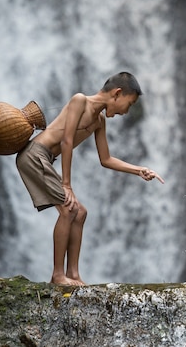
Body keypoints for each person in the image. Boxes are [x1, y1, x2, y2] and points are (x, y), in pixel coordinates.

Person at [16, 72, 164, 286]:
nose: (126, 111)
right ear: (117, 93)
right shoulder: (79, 100)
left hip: (44, 159)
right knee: (69, 209)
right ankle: (58, 276)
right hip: (34, 155)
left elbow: (106, 159)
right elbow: (67, 141)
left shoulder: (99, 121)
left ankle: (73, 274)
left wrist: (139, 170)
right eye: (129, 104)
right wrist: (66, 184)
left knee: (80, 212)